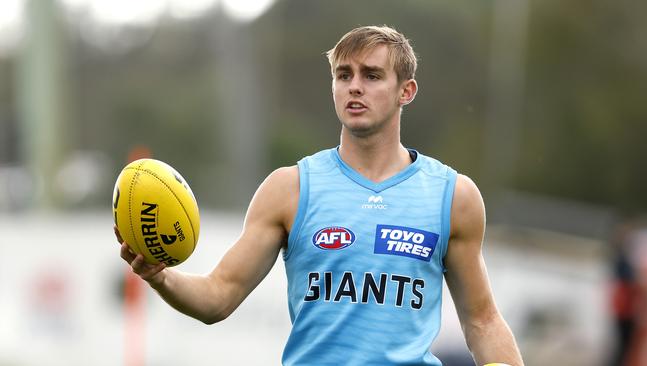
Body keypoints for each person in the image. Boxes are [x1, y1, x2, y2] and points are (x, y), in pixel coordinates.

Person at [115, 25, 524, 366]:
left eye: (372, 75)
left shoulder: (453, 196)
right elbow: (218, 297)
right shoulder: (289, 189)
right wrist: (160, 276)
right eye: (343, 75)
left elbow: (483, 322)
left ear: (406, 91)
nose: (354, 87)